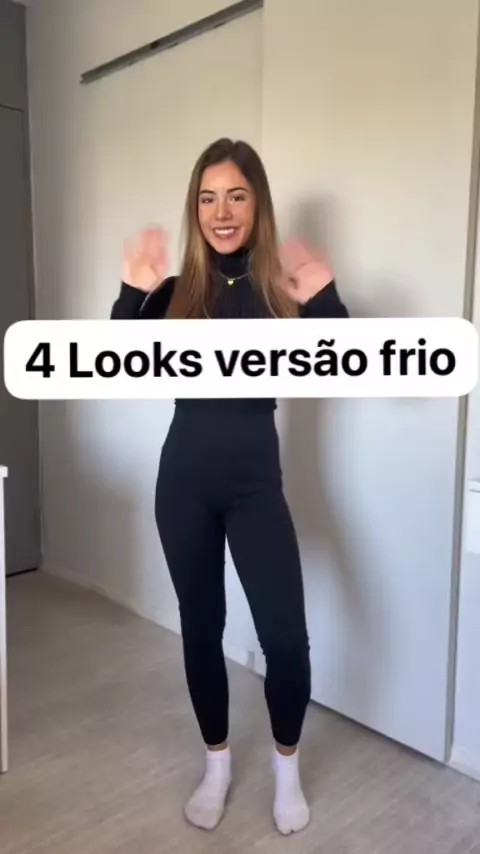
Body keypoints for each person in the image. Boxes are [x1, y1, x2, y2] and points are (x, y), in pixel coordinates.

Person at [111, 138, 349, 835]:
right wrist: (131, 294)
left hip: (254, 486)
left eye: (236, 196)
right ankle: (216, 765)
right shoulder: (175, 293)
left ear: (257, 205)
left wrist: (326, 298)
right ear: (195, 208)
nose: (221, 212)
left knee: (286, 640)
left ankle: (286, 772)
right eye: (208, 197)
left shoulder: (280, 290)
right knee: (201, 629)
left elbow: (345, 364)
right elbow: (116, 365)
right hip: (183, 483)